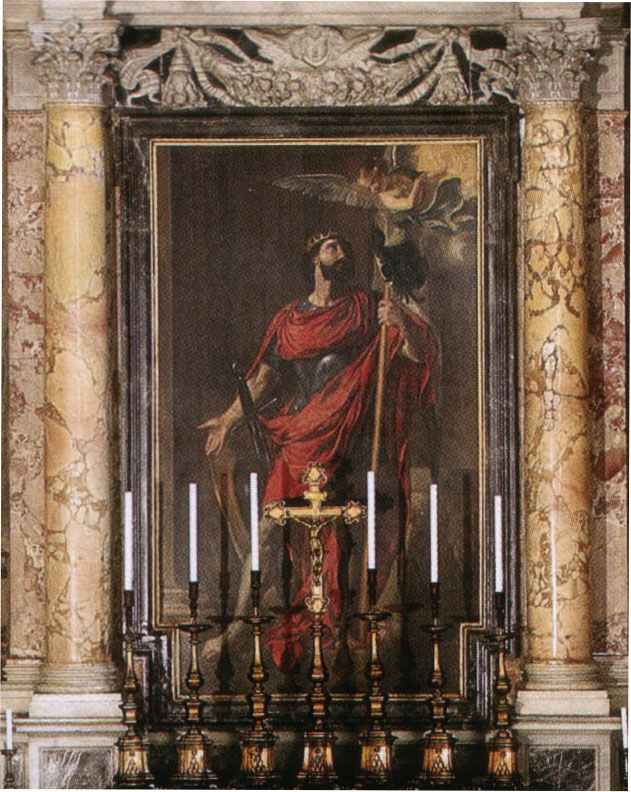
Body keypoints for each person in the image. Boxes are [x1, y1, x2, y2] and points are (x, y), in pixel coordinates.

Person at [198, 231, 437, 669]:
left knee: (347, 537)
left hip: (350, 442)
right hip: (300, 440)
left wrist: (400, 324)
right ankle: (236, 627)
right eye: (332, 247)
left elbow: (417, 358)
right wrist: (229, 418)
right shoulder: (291, 320)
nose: (341, 254)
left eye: (345, 247)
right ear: (313, 257)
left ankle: (346, 623)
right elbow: (262, 379)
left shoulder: (367, 308)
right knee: (269, 532)